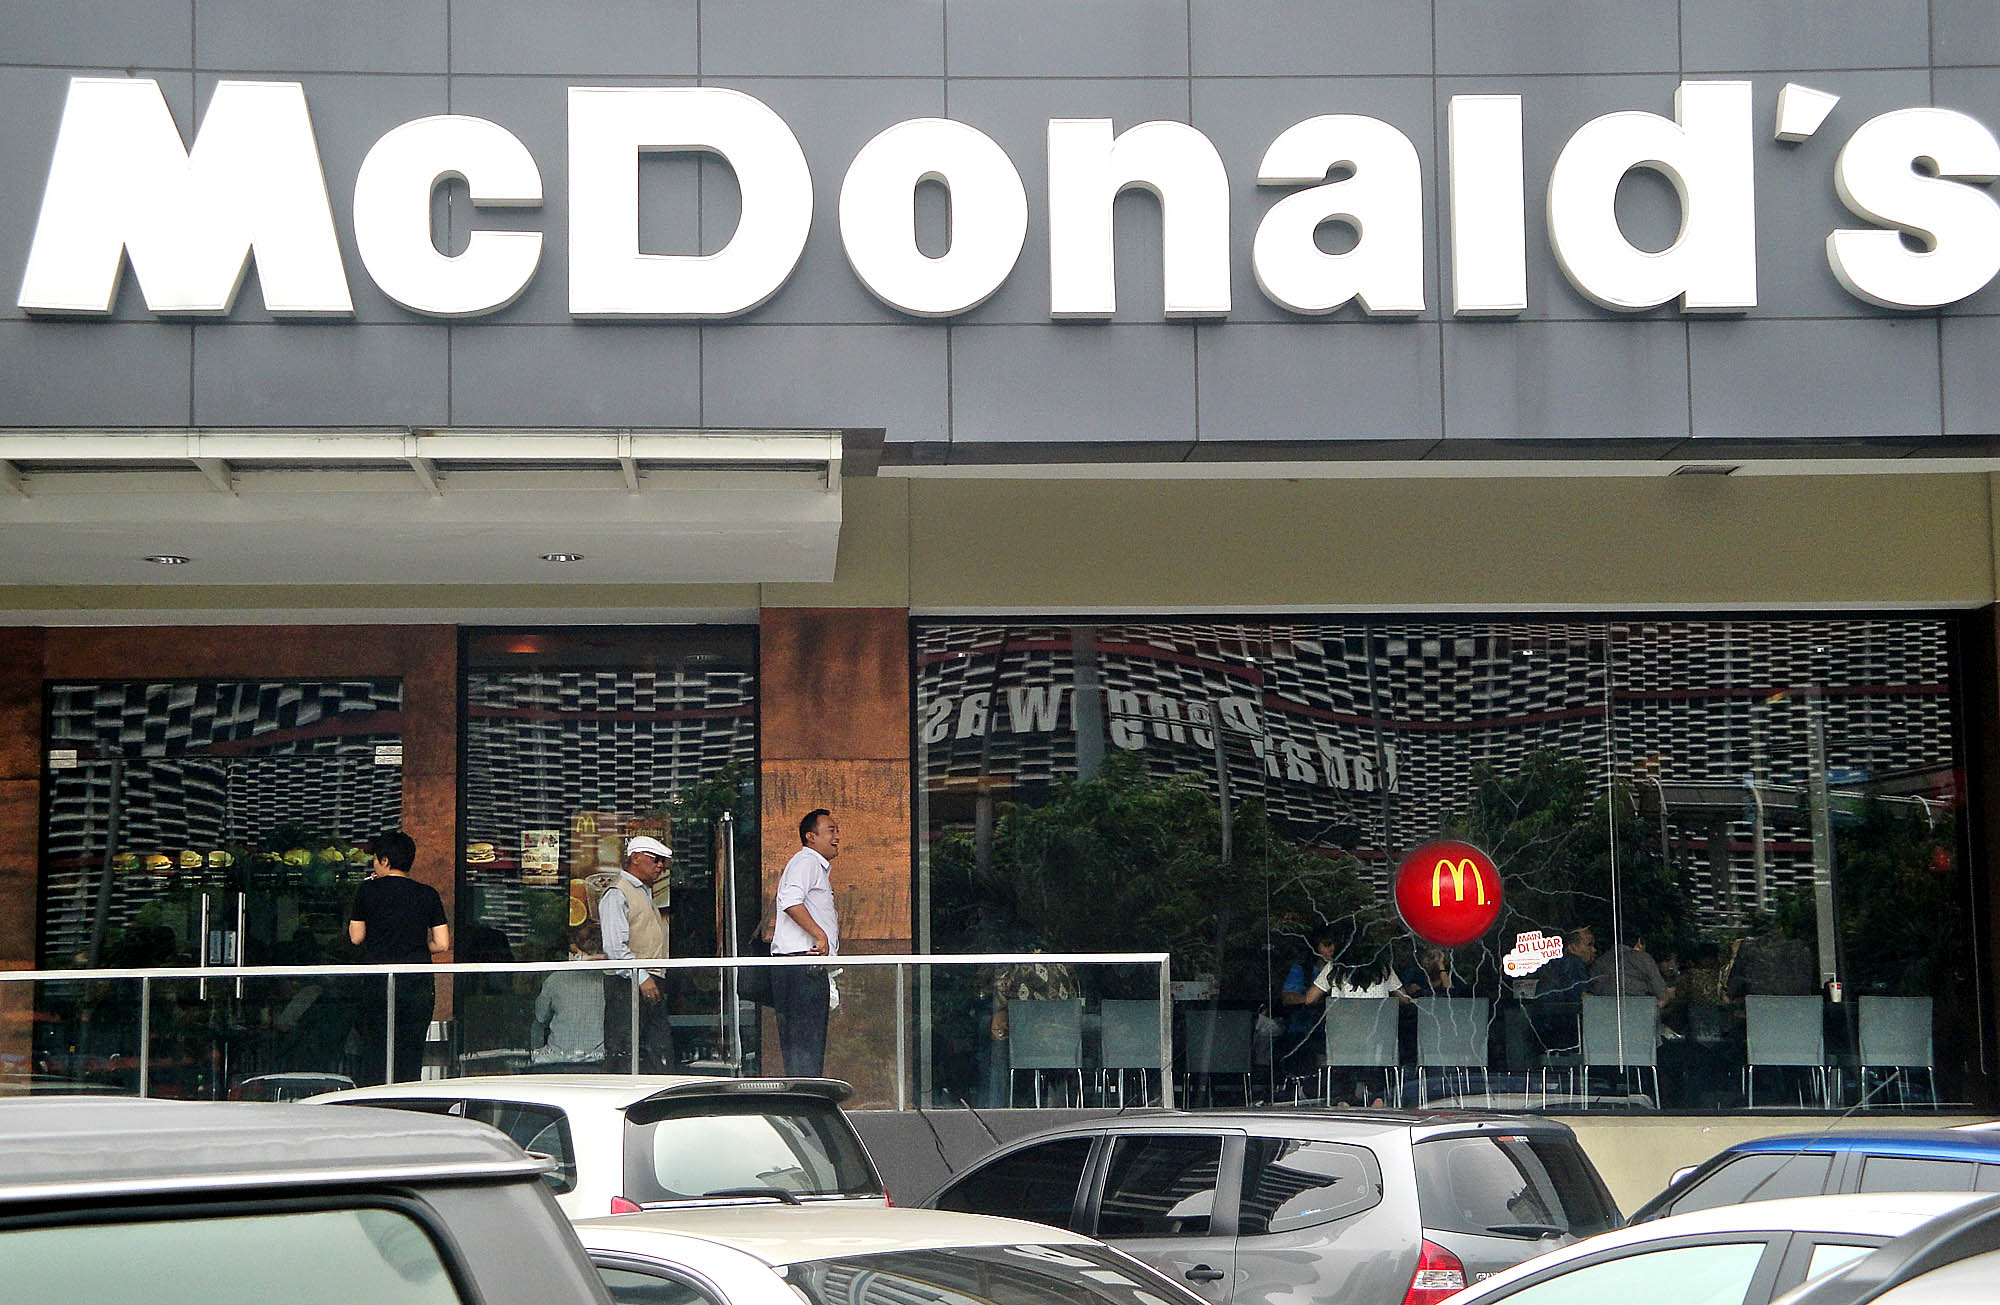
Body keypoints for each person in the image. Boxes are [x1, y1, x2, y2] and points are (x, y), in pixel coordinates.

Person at [347, 829, 449, 1085]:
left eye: (375, 859)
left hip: (378, 982)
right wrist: (416, 946)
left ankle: (375, 1102)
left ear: (385, 861)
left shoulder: (367, 891)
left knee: (376, 1049)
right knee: (411, 1051)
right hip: (417, 983)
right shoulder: (428, 894)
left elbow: (356, 937)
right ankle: (407, 1102)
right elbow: (442, 943)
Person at [770, 808, 841, 1076]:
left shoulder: (811, 865)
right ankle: (803, 1109)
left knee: (803, 1049)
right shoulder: (807, 862)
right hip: (802, 966)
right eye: (830, 830)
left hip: (801, 967)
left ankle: (802, 1105)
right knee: (805, 1049)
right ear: (811, 836)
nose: (837, 836)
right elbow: (789, 901)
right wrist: (820, 934)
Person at [599, 835, 676, 1072]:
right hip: (629, 983)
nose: (660, 866)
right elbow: (614, 947)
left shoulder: (642, 892)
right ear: (635, 858)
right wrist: (642, 977)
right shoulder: (617, 892)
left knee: (658, 1049)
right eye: (656, 860)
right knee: (623, 1049)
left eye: (663, 861)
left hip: (647, 979)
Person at [531, 923, 607, 1069]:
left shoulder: (554, 980)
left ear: (575, 949)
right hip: (598, 1060)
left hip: (557, 1058)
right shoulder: (610, 981)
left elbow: (540, 1017)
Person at [1589, 933, 1674, 1008]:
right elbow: (1662, 996)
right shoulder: (1643, 958)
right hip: (1637, 1015)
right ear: (1639, 943)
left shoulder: (1599, 962)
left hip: (1602, 1017)